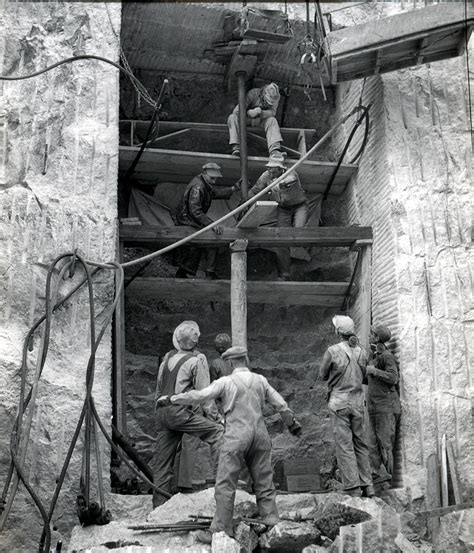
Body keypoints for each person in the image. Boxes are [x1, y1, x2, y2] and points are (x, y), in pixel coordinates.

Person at [156, 346, 302, 541]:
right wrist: (292, 424)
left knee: (226, 483)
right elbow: (281, 405)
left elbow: (199, 396)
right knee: (264, 481)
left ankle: (221, 530)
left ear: (230, 362)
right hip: (260, 436)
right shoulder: (261, 380)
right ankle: (271, 520)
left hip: (236, 436)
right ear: (246, 360)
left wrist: (172, 398)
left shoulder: (225, 382)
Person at [151, 321, 224, 508]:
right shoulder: (196, 361)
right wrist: (217, 418)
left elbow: (159, 390)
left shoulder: (166, 361)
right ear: (195, 343)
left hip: (162, 413)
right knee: (217, 433)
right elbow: (205, 395)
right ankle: (223, 485)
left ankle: (158, 509)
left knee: (162, 464)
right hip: (180, 413)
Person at [319, 315, 374, 497]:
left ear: (337, 332)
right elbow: (365, 376)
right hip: (358, 403)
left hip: (339, 402)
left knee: (345, 445)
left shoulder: (332, 351)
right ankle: (368, 486)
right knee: (361, 444)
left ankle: (353, 488)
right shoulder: (362, 352)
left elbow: (322, 375)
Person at [247, 152, 307, 279]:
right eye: (268, 169)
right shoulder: (266, 175)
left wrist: (280, 184)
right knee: (281, 240)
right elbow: (254, 191)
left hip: (299, 207)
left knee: (298, 233)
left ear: (280, 169)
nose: (270, 172)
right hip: (283, 209)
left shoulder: (291, 173)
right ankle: (285, 273)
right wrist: (250, 203)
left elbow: (291, 179)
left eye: (273, 171)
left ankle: (300, 263)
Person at [175, 163, 240, 279]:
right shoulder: (198, 187)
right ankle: (207, 272)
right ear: (204, 173)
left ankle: (187, 272)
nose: (214, 181)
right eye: (212, 178)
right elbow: (195, 211)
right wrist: (212, 225)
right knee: (211, 241)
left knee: (207, 243)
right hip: (187, 222)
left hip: (191, 220)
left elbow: (213, 193)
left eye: (216, 178)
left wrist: (233, 189)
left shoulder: (204, 183)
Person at [366, 325, 401, 489]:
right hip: (374, 407)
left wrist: (374, 371)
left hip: (386, 407)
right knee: (372, 444)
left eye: (372, 334)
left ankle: (387, 482)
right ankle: (376, 477)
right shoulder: (374, 356)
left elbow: (393, 378)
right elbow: (371, 380)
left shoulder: (387, 356)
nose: (370, 336)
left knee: (386, 444)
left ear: (378, 338)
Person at [227, 82, 283, 157]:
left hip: (260, 121)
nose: (268, 104)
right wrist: (248, 113)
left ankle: (274, 150)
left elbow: (272, 112)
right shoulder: (253, 93)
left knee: (272, 120)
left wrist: (261, 113)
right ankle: (236, 147)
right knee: (232, 117)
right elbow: (237, 111)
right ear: (264, 94)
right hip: (246, 120)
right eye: (267, 102)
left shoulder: (276, 97)